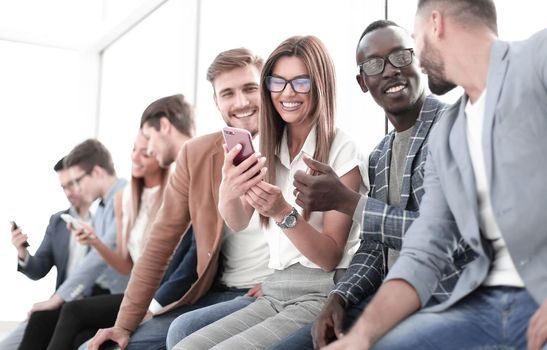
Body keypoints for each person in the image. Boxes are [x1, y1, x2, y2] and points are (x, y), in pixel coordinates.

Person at [323, 1, 547, 349]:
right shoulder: (451, 133)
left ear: (436, 25)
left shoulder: (537, 59)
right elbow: (427, 248)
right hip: (483, 303)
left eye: (413, 42)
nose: (412, 64)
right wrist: (362, 336)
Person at [265, 20, 475, 350]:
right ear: (363, 82)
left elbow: (452, 238)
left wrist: (350, 202)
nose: (390, 71)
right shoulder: (380, 154)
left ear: (420, 60)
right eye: (375, 64)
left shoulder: (456, 130)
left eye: (400, 57)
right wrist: (340, 297)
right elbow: (375, 247)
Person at [171, 35, 367, 350]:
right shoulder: (266, 145)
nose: (287, 93)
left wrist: (283, 213)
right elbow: (237, 221)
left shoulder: (342, 149)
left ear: (320, 85)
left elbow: (330, 257)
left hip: (320, 292)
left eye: (301, 82)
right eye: (278, 82)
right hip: (275, 289)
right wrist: (228, 186)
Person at [88, 48, 272, 350]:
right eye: (227, 93)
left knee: (183, 336)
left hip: (269, 293)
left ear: (264, 88)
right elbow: (159, 243)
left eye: (249, 88)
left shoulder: (294, 144)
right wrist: (123, 324)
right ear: (216, 101)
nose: (240, 102)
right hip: (216, 291)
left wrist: (284, 284)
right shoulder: (196, 154)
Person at [42, 131, 181, 350]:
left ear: (160, 156)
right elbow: (125, 265)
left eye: (145, 152)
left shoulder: (168, 197)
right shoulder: (125, 200)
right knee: (82, 338)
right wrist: (95, 241)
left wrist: (153, 305)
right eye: (134, 150)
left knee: (72, 310)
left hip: (155, 293)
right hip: (137, 289)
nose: (135, 157)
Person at [18, 139, 127, 350]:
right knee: (46, 318)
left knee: (71, 311)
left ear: (96, 172)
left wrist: (58, 298)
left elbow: (99, 260)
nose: (75, 189)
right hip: (103, 293)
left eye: (77, 181)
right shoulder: (101, 209)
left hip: (121, 293)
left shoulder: (125, 196)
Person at [0, 157, 92, 350]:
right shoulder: (58, 221)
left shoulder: (105, 216)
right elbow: (38, 269)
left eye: (72, 184)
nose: (69, 192)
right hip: (59, 304)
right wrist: (22, 251)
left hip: (93, 304)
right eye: (63, 187)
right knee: (7, 345)